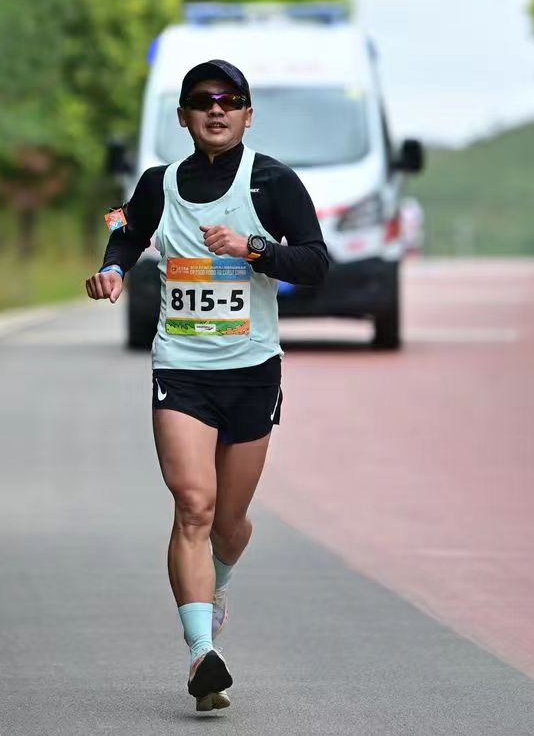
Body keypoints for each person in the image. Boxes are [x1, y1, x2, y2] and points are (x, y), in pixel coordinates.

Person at [84, 59, 330, 712]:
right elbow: (124, 229)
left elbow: (316, 262)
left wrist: (256, 248)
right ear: (184, 116)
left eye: (230, 101)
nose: (215, 110)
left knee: (230, 523)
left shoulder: (273, 181)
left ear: (248, 114)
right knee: (193, 503)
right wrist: (111, 269)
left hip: (252, 370)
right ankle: (201, 652)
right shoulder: (159, 183)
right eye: (202, 101)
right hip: (182, 367)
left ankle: (213, 588)